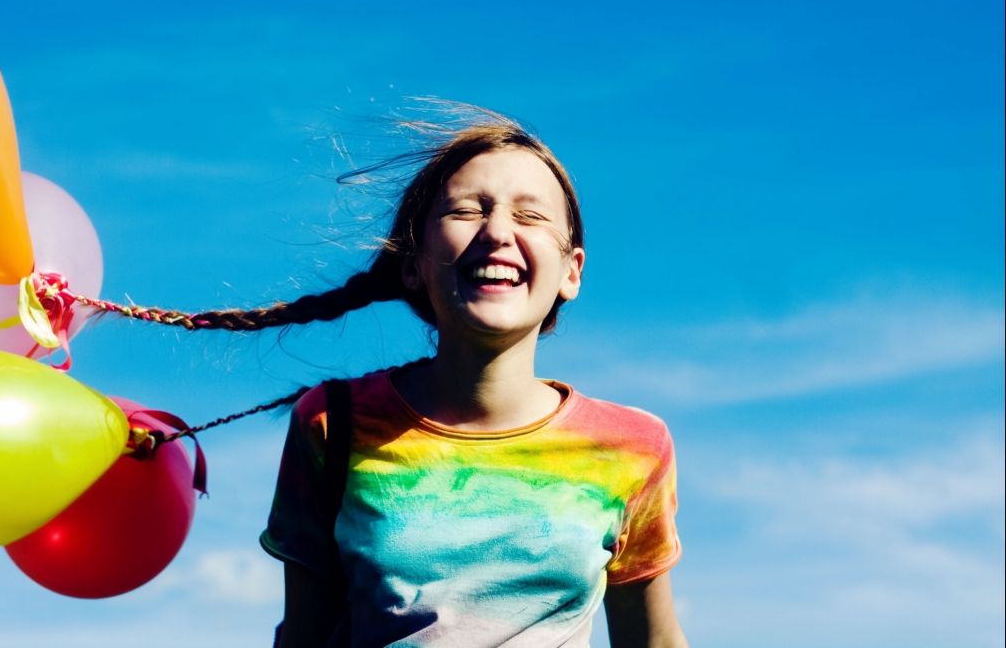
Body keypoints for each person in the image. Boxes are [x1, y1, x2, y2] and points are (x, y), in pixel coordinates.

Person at [101, 106, 686, 646]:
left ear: (571, 271)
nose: (499, 231)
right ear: (413, 266)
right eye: (466, 210)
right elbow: (304, 633)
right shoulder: (335, 422)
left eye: (530, 215)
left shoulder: (632, 446)